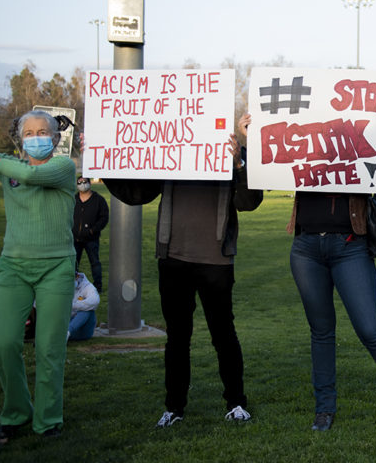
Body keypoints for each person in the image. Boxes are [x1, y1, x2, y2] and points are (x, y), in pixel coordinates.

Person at [105, 115, 262, 427]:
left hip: (216, 260)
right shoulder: (171, 153)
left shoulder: (230, 154)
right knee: (177, 338)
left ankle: (235, 402)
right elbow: (137, 194)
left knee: (223, 335)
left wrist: (239, 164)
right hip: (173, 258)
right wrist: (102, 161)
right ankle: (174, 407)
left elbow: (248, 201)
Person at [289, 108, 376, 435]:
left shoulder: (359, 146)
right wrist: (256, 132)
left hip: (350, 246)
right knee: (321, 332)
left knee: (371, 330)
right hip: (306, 248)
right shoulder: (307, 145)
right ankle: (324, 410)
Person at [0, 89, 75, 442]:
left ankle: (48, 419)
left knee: (49, 347)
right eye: (29, 133)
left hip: (56, 267)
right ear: (19, 140)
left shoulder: (62, 167)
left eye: (43, 133)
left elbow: (29, 177)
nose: (36, 138)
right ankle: (16, 411)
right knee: (3, 343)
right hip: (13, 266)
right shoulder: (11, 167)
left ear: (55, 139)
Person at [72, 174, 109, 291]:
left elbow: (104, 218)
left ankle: (98, 286)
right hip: (75, 238)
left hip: (91, 239)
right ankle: (72, 284)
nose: (82, 184)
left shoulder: (99, 200)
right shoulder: (73, 199)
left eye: (85, 181)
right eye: (80, 182)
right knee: (73, 263)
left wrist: (93, 230)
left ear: (90, 183)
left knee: (95, 263)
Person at [68, 272, 99, 341]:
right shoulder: (60, 286)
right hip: (67, 322)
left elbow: (95, 301)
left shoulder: (87, 286)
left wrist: (72, 305)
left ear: (77, 276)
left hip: (83, 331)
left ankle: (67, 332)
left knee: (88, 311)